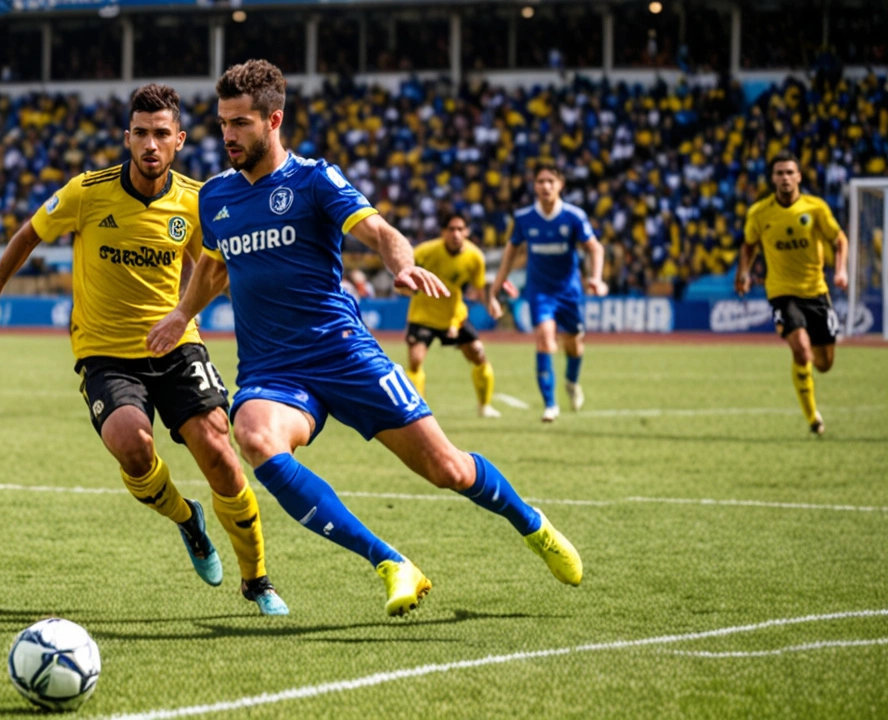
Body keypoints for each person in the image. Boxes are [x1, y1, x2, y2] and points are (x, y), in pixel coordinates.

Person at [147, 60, 581, 618]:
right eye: (223, 122)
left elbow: (381, 232)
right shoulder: (215, 197)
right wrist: (183, 312)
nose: (227, 135)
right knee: (255, 438)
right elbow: (212, 267)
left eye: (241, 124)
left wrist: (401, 266)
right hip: (272, 369)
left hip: (343, 353)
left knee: (447, 468)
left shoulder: (314, 180)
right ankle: (391, 563)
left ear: (273, 120)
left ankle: (532, 524)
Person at [0, 84, 287, 616]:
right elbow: (28, 235)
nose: (150, 144)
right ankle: (187, 521)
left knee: (220, 454)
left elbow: (217, 265)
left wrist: (189, 311)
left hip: (176, 345)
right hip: (105, 353)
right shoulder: (87, 191)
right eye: (141, 134)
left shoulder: (198, 201)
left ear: (178, 140)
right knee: (133, 448)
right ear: (127, 138)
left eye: (161, 134)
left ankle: (258, 580)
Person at [736, 151, 849, 435]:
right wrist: (744, 273)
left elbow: (839, 240)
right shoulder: (760, 213)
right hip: (782, 293)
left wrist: (841, 270)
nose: (785, 178)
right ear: (772, 178)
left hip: (816, 292)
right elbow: (748, 245)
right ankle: (814, 419)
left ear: (799, 176)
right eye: (779, 173)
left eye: (790, 172)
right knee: (800, 349)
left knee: (823, 364)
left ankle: (806, 374)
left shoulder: (815, 209)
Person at [489, 163, 607, 423]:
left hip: (569, 293)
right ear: (534, 186)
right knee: (544, 339)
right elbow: (511, 252)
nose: (545, 186)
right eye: (540, 181)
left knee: (574, 345)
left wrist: (596, 278)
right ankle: (550, 404)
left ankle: (572, 383)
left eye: (550, 181)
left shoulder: (574, 216)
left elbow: (595, 248)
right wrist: (496, 289)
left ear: (560, 185)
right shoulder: (524, 218)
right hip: (540, 292)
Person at [403, 214, 499, 418]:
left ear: (466, 232)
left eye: (460, 229)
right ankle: (418, 413)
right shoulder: (425, 251)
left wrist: (492, 301)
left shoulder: (475, 257)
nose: (456, 234)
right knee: (415, 360)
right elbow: (403, 270)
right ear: (443, 232)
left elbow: (479, 287)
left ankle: (485, 406)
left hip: (453, 316)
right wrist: (406, 285)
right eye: (451, 229)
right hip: (423, 315)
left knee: (477, 353)